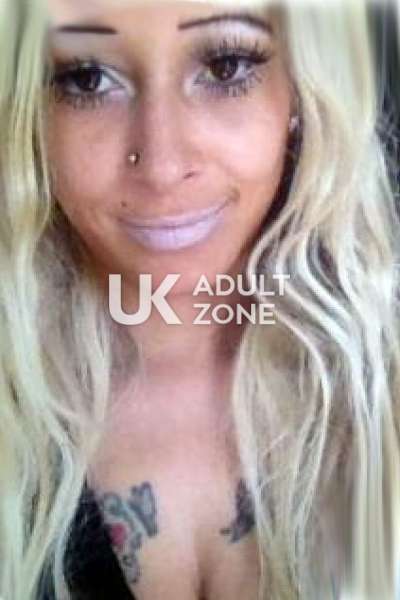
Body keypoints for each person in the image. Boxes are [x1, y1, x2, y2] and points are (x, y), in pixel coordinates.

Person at [0, 0, 399, 599]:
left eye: (225, 67)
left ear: (301, 91)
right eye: (86, 77)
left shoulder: (380, 381)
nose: (162, 167)